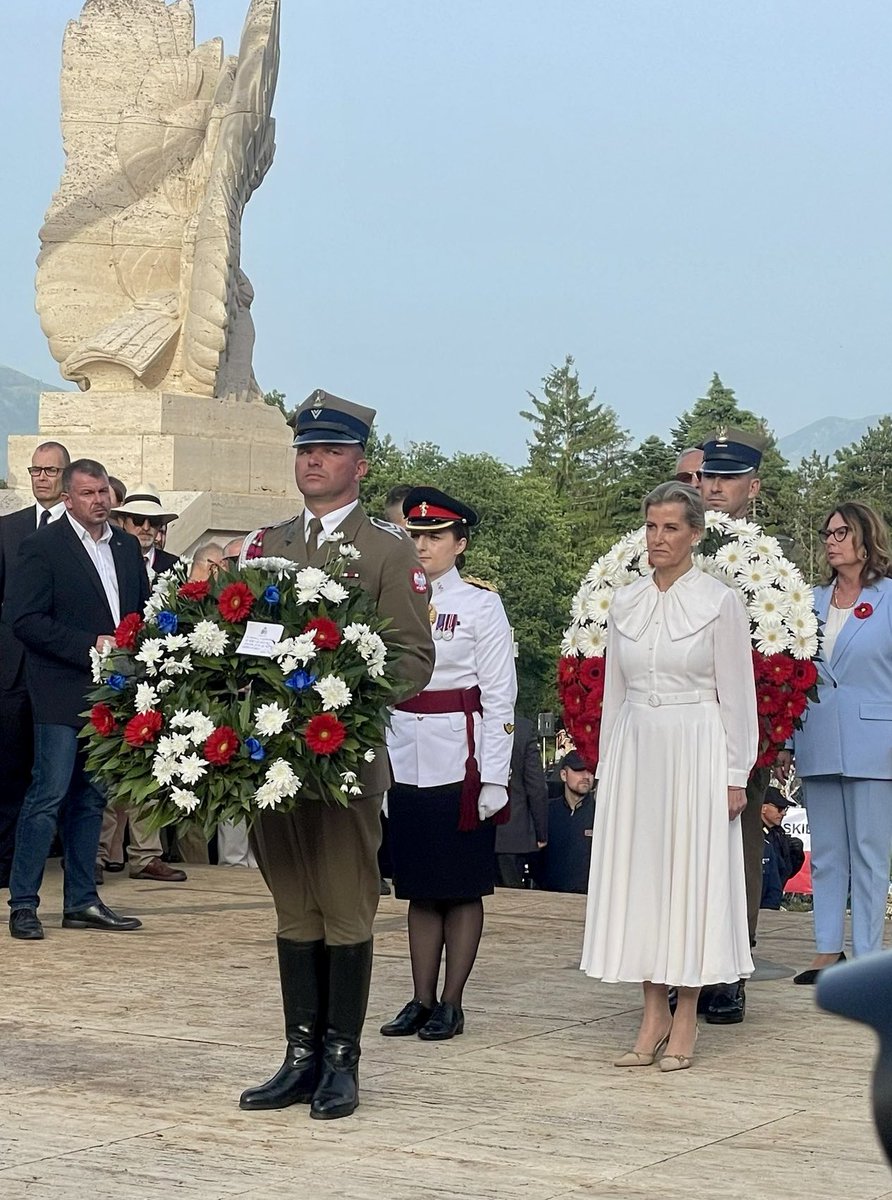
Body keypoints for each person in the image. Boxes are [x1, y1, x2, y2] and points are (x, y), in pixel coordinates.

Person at [238, 390, 434, 1121]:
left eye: (327, 450)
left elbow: (415, 656)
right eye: (304, 449)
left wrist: (342, 693)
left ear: (359, 463)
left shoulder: (387, 550)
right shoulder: (266, 546)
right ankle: (300, 1056)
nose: (312, 459)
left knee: (346, 906)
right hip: (269, 763)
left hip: (342, 759)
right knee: (294, 903)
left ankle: (342, 1063)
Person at [581, 480, 757, 1072]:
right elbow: (614, 695)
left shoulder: (718, 601)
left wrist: (736, 773)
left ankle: (686, 1017)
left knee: (691, 876)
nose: (659, 538)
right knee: (646, 878)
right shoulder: (626, 602)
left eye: (671, 528)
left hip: (697, 747)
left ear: (695, 535)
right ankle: (651, 1010)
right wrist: (609, 768)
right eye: (652, 527)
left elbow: (738, 694)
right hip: (638, 750)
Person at [380, 486, 517, 1042]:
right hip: (403, 756)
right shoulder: (389, 598)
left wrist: (495, 777)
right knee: (418, 887)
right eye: (414, 535)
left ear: (460, 544)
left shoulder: (480, 604)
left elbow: (500, 696)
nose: (422, 546)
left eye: (435, 536)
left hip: (460, 760)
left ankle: (451, 1002)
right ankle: (420, 998)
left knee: (459, 887)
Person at [6, 459, 147, 939]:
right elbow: (25, 620)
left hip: (113, 693)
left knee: (93, 798)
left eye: (104, 491)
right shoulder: (42, 546)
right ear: (68, 498)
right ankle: (23, 902)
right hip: (60, 691)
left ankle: (81, 901)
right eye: (88, 493)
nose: (100, 501)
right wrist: (92, 643)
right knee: (48, 795)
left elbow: (139, 613)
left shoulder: (126, 546)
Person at [791, 501, 892, 984]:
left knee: (871, 853)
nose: (830, 540)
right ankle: (827, 949)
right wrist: (789, 739)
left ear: (865, 538)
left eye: (840, 532)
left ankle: (869, 953)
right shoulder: (807, 602)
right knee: (828, 851)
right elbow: (790, 675)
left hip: (876, 741)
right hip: (817, 737)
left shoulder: (890, 599)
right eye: (827, 532)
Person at [697, 426, 777, 1024]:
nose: (714, 486)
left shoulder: (767, 560)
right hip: (676, 719)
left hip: (738, 722)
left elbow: (784, 650)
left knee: (740, 847)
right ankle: (680, 965)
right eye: (708, 475)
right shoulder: (673, 543)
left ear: (753, 485)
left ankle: (730, 969)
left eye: (727, 477)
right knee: (679, 848)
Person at [0, 441, 71, 889]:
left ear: (66, 475)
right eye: (36, 470)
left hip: (60, 667)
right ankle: (7, 865)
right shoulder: (8, 528)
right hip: (11, 669)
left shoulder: (80, 533)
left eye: (51, 470)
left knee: (55, 772)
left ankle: (64, 861)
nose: (42, 477)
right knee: (8, 768)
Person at [495, 714, 548, 888]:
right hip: (512, 832)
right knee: (511, 903)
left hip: (470, 831)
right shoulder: (523, 728)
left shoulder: (467, 721)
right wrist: (541, 832)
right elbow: (536, 787)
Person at [532, 750, 595, 893]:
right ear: (563, 775)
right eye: (579, 771)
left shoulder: (601, 815)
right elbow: (535, 858)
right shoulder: (546, 812)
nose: (586, 776)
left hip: (589, 899)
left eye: (590, 771)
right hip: (547, 898)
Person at [110, 484, 179, 581]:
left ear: (160, 525)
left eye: (153, 521)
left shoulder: (174, 564)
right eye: (138, 520)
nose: (146, 528)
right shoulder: (110, 560)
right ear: (122, 521)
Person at [760, 789, 805, 909]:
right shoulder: (753, 835)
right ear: (764, 808)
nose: (783, 813)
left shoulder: (778, 834)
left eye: (785, 809)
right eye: (780, 808)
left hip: (772, 900)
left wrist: (796, 857)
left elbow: (784, 873)